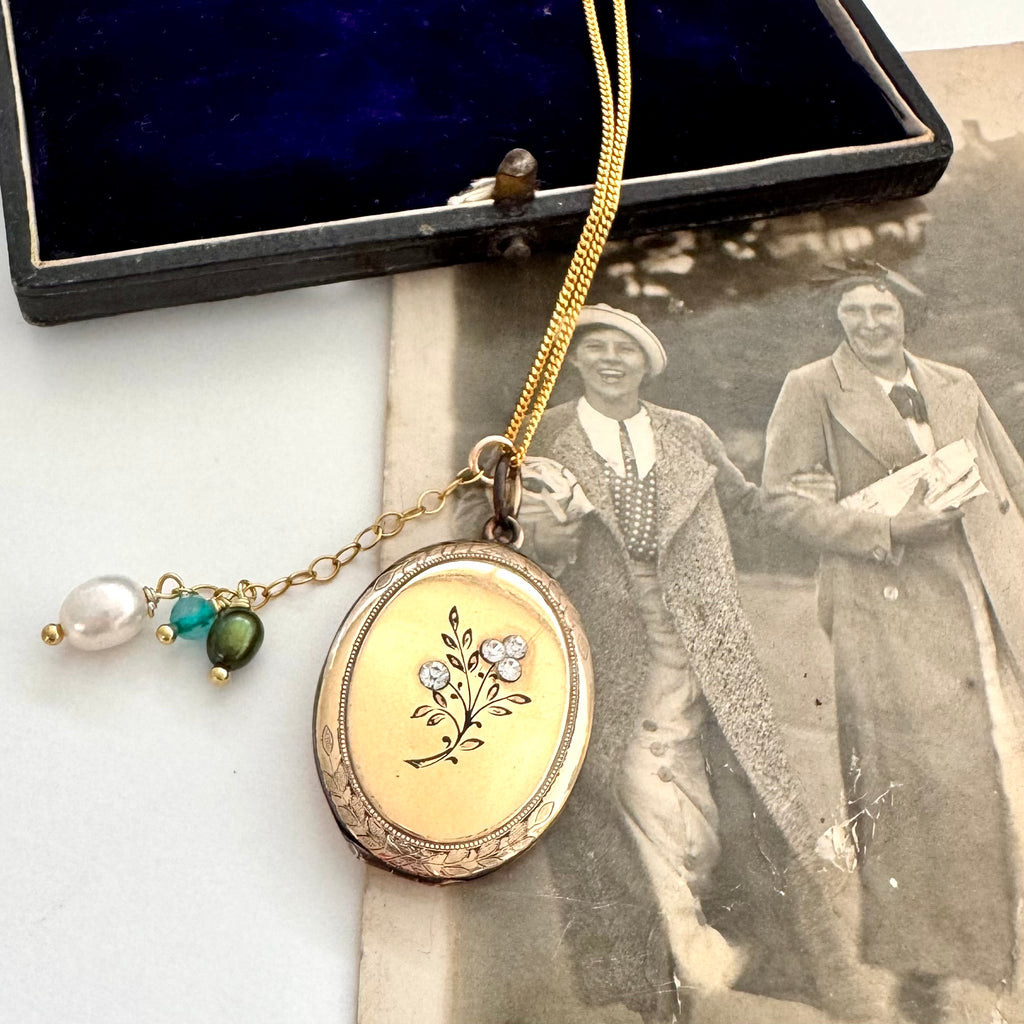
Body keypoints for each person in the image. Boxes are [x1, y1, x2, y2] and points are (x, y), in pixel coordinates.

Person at [517, 304, 852, 1022]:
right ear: (576, 361)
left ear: (648, 363)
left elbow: (749, 508)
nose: (611, 360)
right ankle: (686, 960)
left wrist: (812, 499)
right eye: (596, 348)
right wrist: (548, 534)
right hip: (601, 642)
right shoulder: (542, 436)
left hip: (700, 639)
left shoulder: (687, 434)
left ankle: (692, 945)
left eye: (626, 350)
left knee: (699, 800)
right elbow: (503, 533)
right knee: (633, 788)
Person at [762, 267, 1024, 1022]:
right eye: (855, 310)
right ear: (837, 319)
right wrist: (885, 532)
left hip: (986, 595)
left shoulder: (956, 381)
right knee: (914, 785)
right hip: (892, 605)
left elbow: (1007, 477)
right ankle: (923, 967)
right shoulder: (811, 387)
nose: (872, 323)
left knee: (1001, 767)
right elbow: (784, 500)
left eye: (885, 308)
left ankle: (989, 948)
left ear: (909, 315)